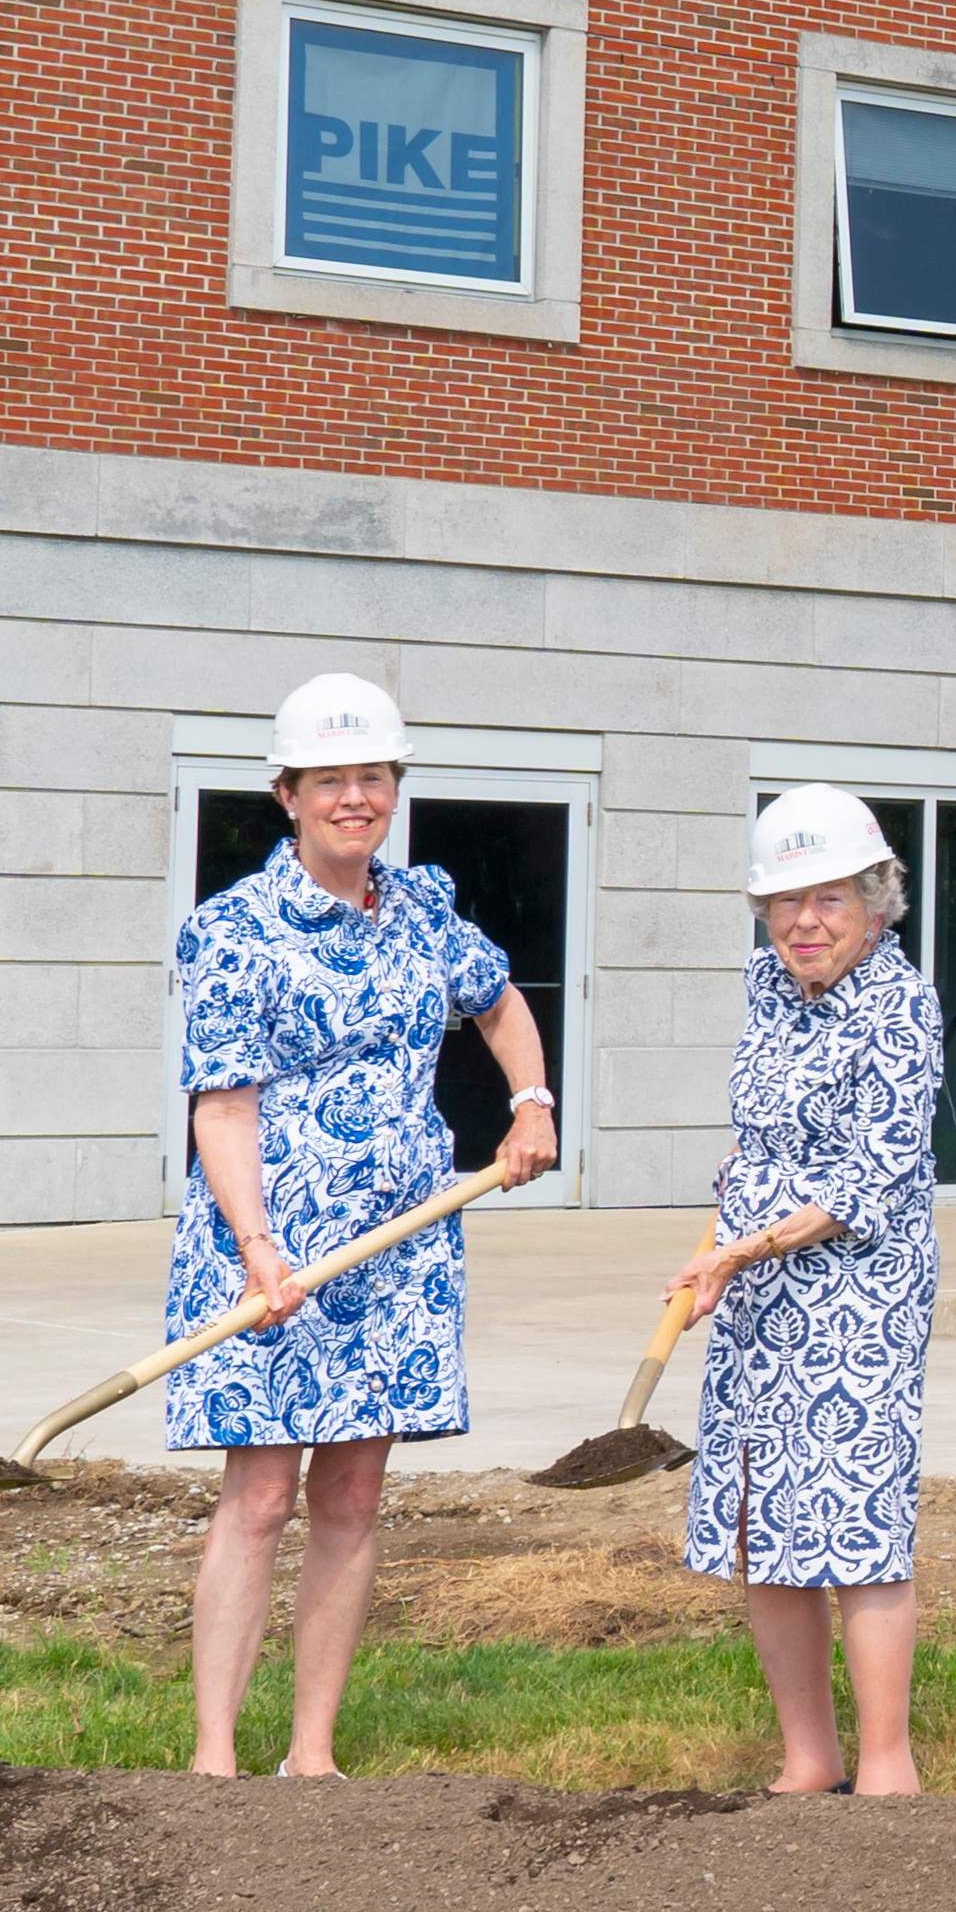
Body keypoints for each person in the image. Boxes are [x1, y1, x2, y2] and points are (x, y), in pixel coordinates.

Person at [164, 672, 553, 1781]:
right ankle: (213, 1755)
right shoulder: (231, 929)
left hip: (401, 1250)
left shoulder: (425, 907)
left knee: (351, 1492)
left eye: (372, 776)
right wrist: (256, 1249)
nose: (355, 796)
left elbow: (499, 1000)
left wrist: (531, 1102)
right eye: (330, 779)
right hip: (271, 1248)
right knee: (262, 1494)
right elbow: (222, 1103)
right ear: (286, 793)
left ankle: (314, 1751)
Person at [664, 786, 946, 1798]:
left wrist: (737, 1252)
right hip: (756, 1295)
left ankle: (886, 1764)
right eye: (783, 901)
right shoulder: (769, 986)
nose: (802, 922)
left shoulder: (899, 1008)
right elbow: (758, 1137)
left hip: (856, 1298)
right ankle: (806, 1755)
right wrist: (728, 1242)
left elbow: (864, 1183)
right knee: (761, 1513)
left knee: (855, 1518)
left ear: (877, 902)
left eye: (827, 898)